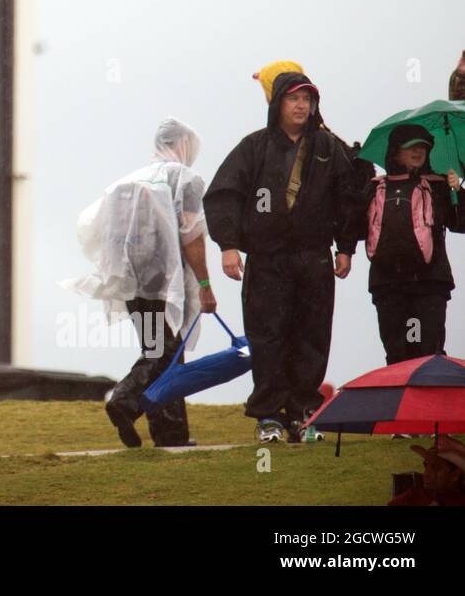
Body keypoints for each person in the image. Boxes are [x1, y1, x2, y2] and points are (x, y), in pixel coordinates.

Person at [205, 70, 363, 443]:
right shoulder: (254, 147)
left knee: (311, 334)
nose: (301, 105)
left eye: (307, 99)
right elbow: (224, 194)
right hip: (267, 259)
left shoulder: (328, 148)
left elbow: (349, 198)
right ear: (278, 104)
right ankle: (269, 417)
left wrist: (345, 247)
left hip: (315, 258)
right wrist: (228, 245)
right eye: (293, 98)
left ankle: (305, 412)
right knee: (269, 335)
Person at [70, 118, 216, 448]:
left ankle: (170, 433)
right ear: (181, 144)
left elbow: (93, 226)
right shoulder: (185, 179)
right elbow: (192, 236)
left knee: (161, 351)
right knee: (165, 354)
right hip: (166, 283)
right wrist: (205, 285)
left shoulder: (127, 181)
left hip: (134, 284)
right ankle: (124, 401)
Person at [360, 124, 464, 364]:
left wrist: (458, 190)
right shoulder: (376, 186)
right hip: (389, 286)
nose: (418, 152)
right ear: (396, 151)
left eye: (423, 147)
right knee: (397, 358)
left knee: (429, 357)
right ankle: (404, 402)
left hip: (429, 286)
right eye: (411, 147)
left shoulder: (438, 184)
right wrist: (358, 175)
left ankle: (428, 403)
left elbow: (460, 223)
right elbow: (355, 224)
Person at [389, 435, 465, 506]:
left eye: (435, 468)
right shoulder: (413, 495)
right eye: (426, 466)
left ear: (455, 475)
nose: (426, 474)